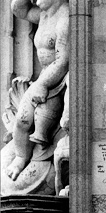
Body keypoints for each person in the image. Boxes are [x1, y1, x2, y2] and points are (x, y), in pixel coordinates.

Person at [7, 0, 69, 181]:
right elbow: (19, 9)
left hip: (56, 79)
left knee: (42, 122)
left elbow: (63, 61)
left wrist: (42, 84)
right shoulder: (43, 14)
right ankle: (21, 157)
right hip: (42, 77)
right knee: (22, 119)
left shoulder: (65, 18)